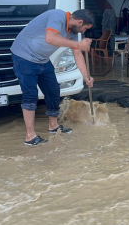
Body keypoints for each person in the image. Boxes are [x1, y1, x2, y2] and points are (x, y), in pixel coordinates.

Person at [11, 9, 95, 145]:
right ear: (79, 22)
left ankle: (53, 126)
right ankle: (30, 136)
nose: (83, 32)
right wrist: (78, 44)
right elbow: (50, 38)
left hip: (42, 59)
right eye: (85, 28)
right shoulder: (57, 16)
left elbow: (77, 54)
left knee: (53, 90)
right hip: (24, 57)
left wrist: (86, 76)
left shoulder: (72, 32)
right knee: (30, 95)